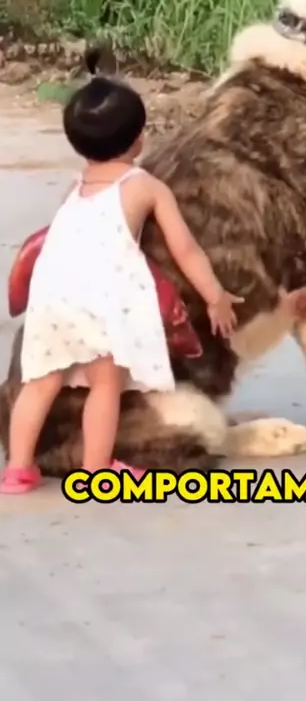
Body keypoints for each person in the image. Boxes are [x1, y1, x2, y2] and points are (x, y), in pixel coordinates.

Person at [0, 71, 244, 494]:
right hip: (99, 305)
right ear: (139, 139)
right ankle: (97, 470)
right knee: (105, 386)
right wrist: (215, 295)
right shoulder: (144, 187)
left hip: (50, 301)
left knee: (39, 383)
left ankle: (18, 469)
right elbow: (186, 250)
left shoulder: (75, 188)